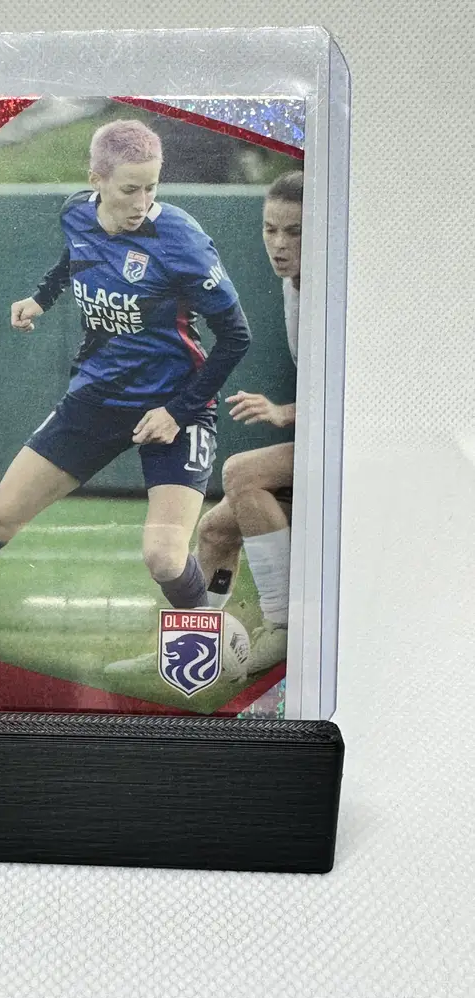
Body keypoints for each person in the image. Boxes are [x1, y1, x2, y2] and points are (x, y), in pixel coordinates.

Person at [0, 119, 251, 641]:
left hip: (176, 407)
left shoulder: (182, 240)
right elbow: (73, 258)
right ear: (96, 180)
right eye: (129, 189)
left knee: (164, 558)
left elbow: (236, 337)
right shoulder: (75, 213)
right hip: (95, 399)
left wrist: (176, 412)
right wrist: (41, 298)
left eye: (152, 188)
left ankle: (209, 644)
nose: (142, 203)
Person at [195, 170, 303, 674]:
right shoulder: (293, 285)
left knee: (241, 472)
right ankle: (193, 648)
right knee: (215, 530)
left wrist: (283, 412)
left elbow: (363, 400)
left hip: (363, 454)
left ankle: (283, 627)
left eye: (295, 232)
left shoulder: (340, 294)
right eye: (270, 229)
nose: (278, 244)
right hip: (324, 447)